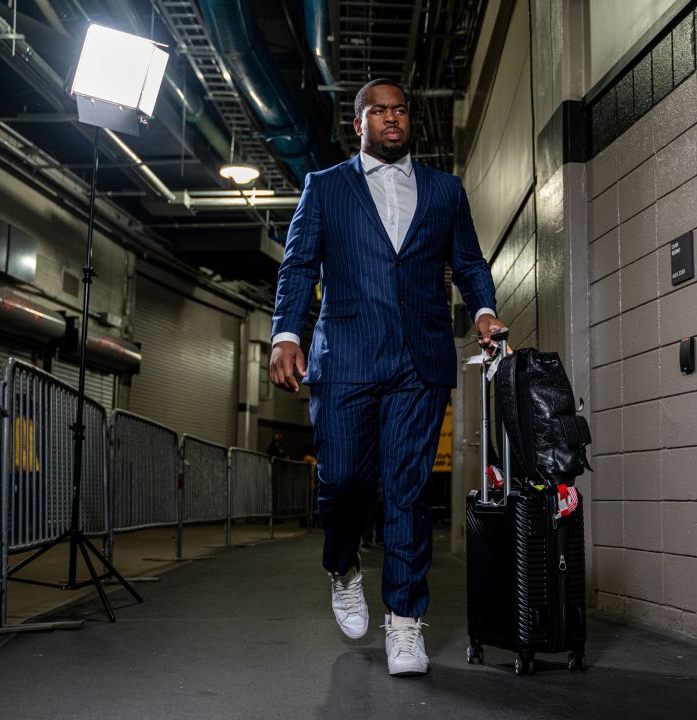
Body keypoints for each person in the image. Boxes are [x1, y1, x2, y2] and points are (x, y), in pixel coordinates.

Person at [269, 78, 506, 677]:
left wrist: (482, 309)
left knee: (407, 491)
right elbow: (298, 265)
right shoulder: (325, 187)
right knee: (344, 480)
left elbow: (470, 262)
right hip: (345, 354)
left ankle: (405, 622)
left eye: (400, 111)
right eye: (380, 112)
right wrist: (287, 334)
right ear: (360, 123)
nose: (392, 119)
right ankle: (343, 568)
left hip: (418, 361)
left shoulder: (445, 190)